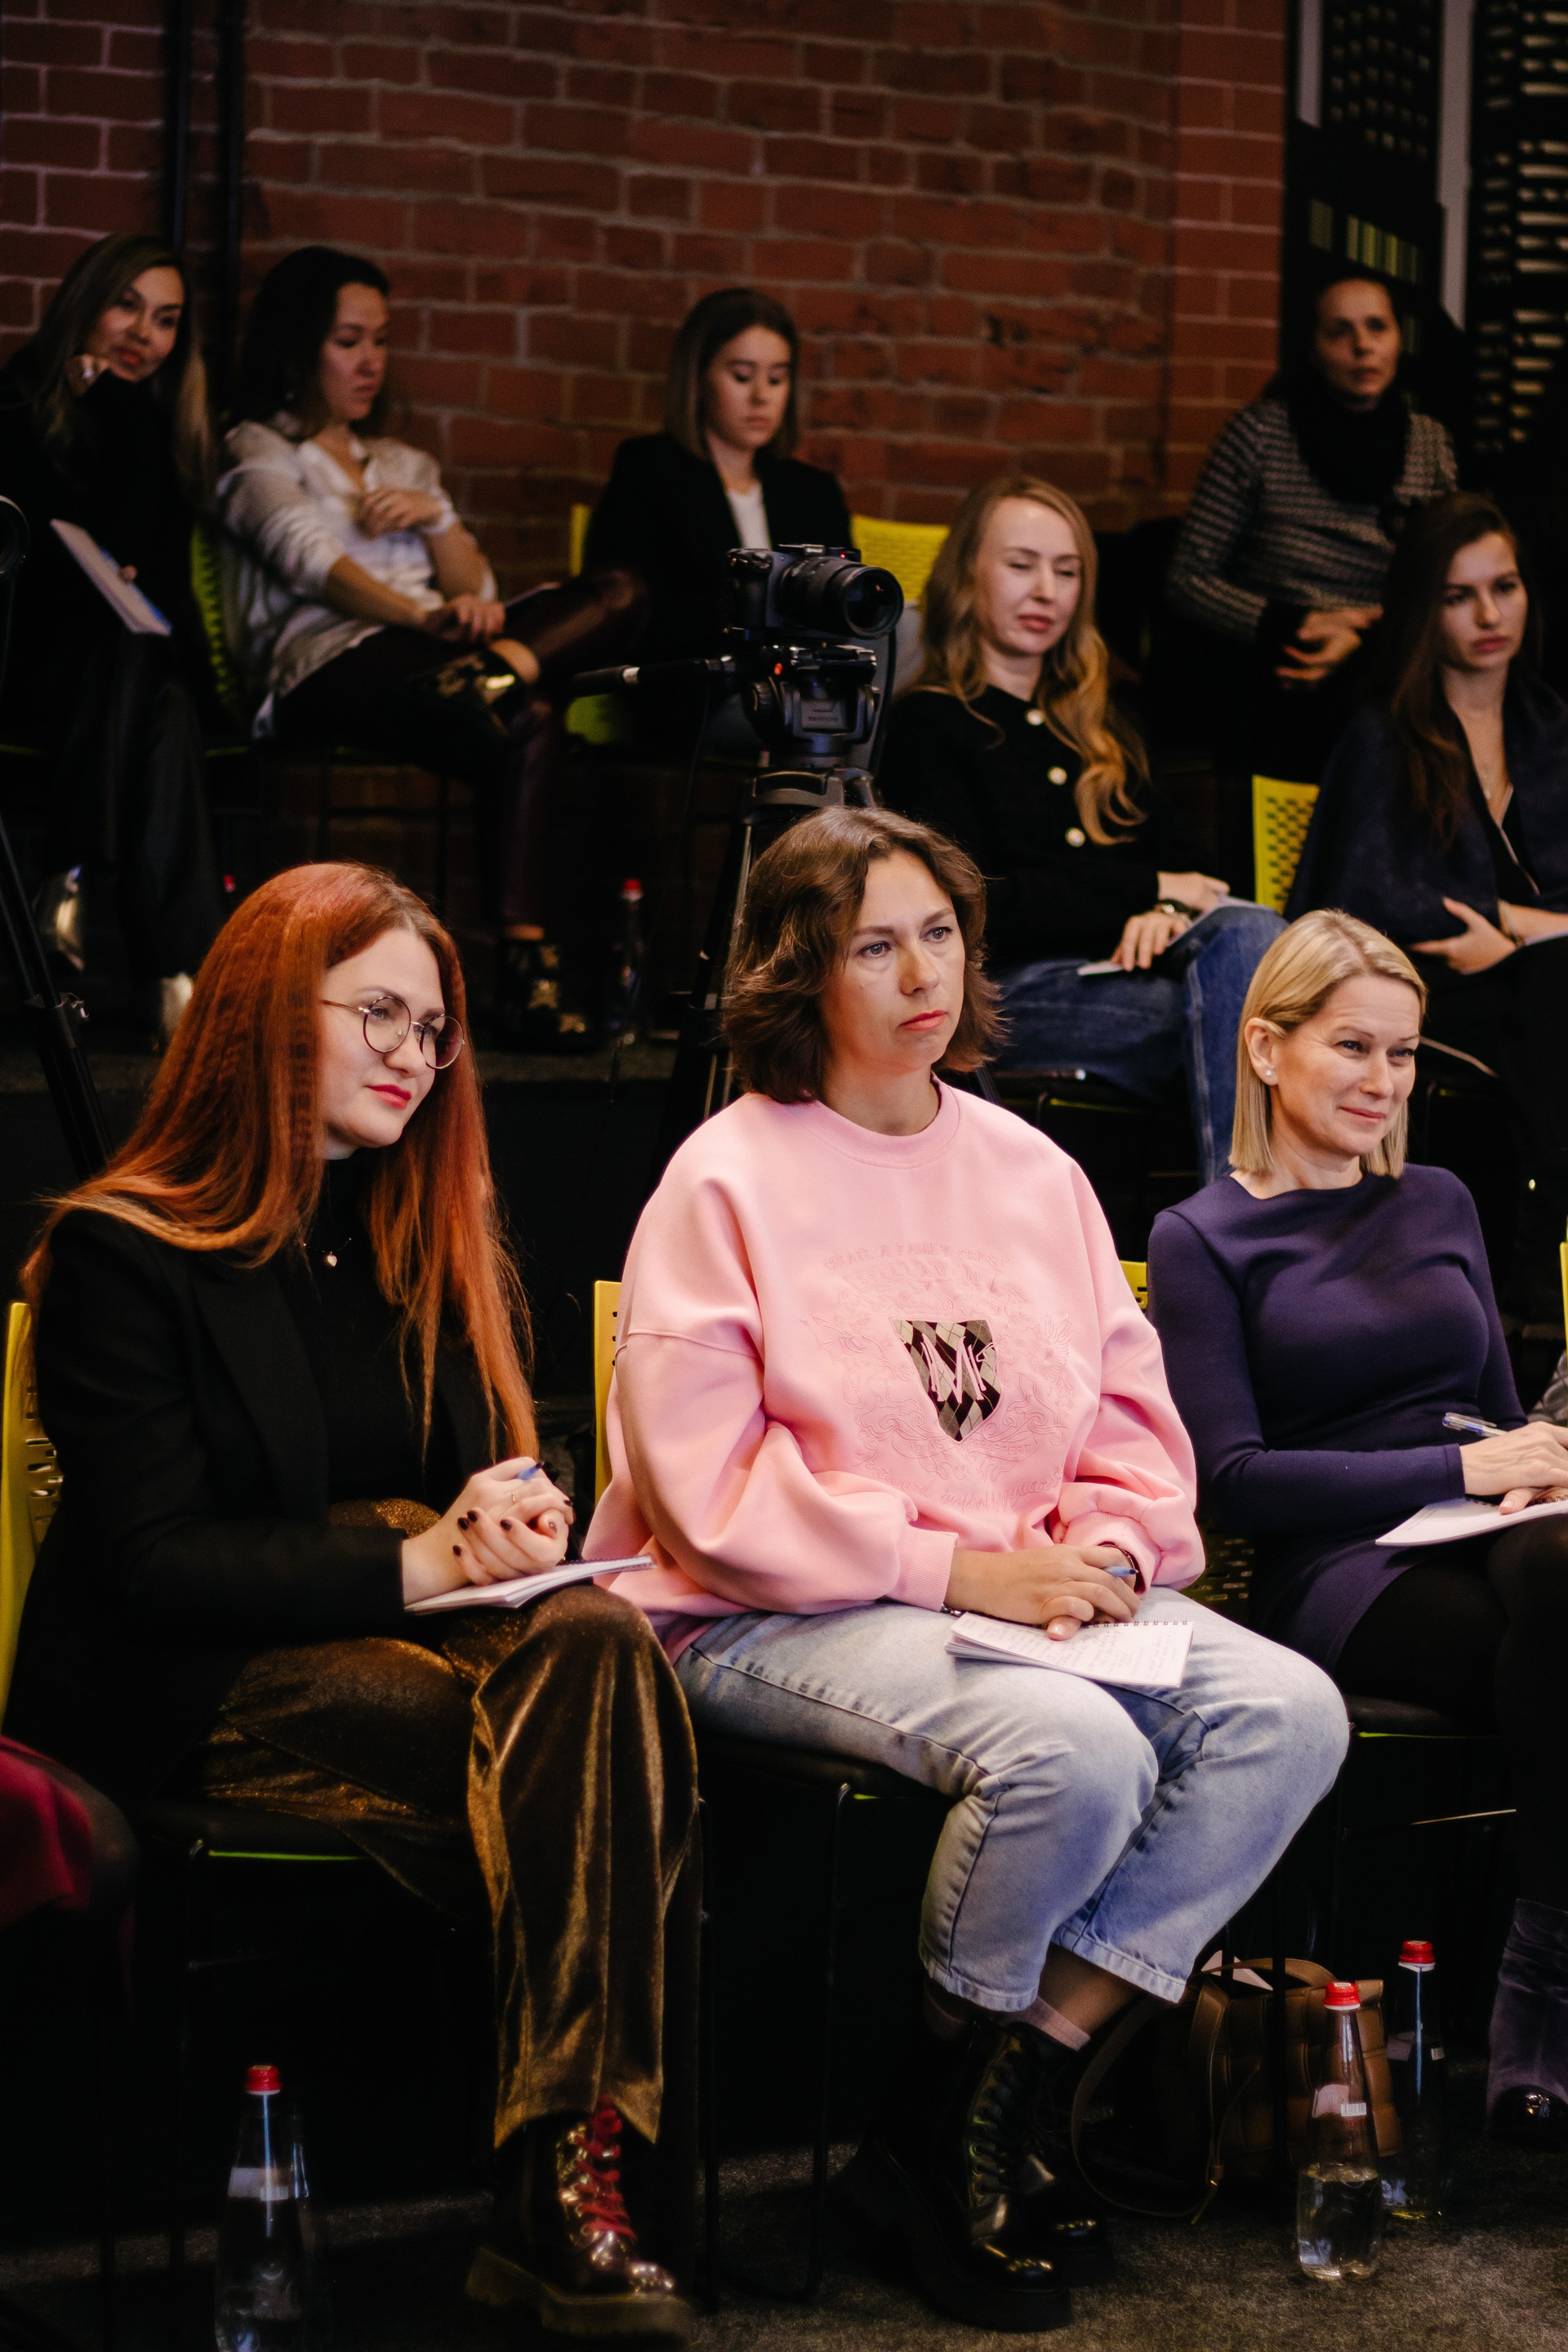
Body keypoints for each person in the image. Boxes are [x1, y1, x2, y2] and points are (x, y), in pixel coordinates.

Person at [583, 804, 1348, 2329]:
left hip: (1020, 1595)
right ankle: (954, 2139)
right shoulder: (723, 1177)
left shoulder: (1030, 1169)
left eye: (939, 934)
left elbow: (1131, 1421)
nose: (923, 974)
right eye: (874, 945)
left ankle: (975, 2104)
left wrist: (1110, 1548)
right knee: (1074, 1751)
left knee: (1291, 1714)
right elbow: (704, 1485)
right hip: (761, 1607)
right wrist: (961, 1574)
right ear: (798, 971)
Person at [2, 862, 698, 2337]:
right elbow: (153, 1564)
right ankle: (581, 2180)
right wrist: (419, 1556)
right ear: (266, 1010)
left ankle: (554, 2179)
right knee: (609, 1764)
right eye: (378, 1012)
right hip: (202, 1676)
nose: (414, 1055)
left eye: (434, 1029)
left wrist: (520, 1517)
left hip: (435, 1650)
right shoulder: (126, 1253)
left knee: (592, 1642)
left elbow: (489, 1481)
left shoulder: (423, 1228)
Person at [1147, 907, 1568, 2153]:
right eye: (1353, 1047)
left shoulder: (1438, 1199)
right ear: (1265, 1049)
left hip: (1491, 1536)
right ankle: (1537, 2006)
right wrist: (1465, 1466)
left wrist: (1526, 1472)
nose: (1385, 1081)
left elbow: (1496, 1414)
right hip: (1337, 1570)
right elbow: (1235, 1482)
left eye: (1403, 1054)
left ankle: (1537, 1993)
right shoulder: (1201, 1236)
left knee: (1558, 1563)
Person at [218, 247, 646, 1049]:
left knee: (621, 590)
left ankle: (487, 680)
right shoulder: (256, 451)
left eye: (381, 341)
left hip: (433, 658)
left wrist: (436, 518)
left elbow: (475, 586)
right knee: (531, 714)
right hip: (327, 662)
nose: (371, 362)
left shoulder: (404, 462)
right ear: (298, 346)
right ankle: (526, 972)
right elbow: (312, 565)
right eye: (349, 341)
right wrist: (426, 620)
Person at [877, 474, 1283, 1184]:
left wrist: (1165, 907)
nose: (1046, 591)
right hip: (1011, 997)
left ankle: (1245, 1223)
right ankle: (1261, 1224)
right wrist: (1145, 890)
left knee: (1250, 940)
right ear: (967, 575)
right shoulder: (929, 726)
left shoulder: (1103, 724)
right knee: (1258, 1026)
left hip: (1141, 977)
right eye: (1021, 564)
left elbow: (1200, 873)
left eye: (1066, 572)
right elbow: (977, 909)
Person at [1286, 492, 1568, 1326]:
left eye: (1505, 587)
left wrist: (1520, 934)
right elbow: (1367, 905)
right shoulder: (1386, 736)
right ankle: (1544, 1256)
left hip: (1535, 983)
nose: (1490, 615)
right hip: (1432, 992)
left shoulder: (1551, 728)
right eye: (1458, 596)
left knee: (1553, 975)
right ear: (1424, 609)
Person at [0, 230, 225, 1043]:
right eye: (126, 306)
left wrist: (123, 409)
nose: (143, 334)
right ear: (85, 304)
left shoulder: (154, 428)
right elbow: (46, 564)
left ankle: (66, 876)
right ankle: (182, 980)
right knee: (150, 682)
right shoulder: (14, 404)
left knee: (157, 688)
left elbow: (139, 565)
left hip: (122, 682)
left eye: (166, 320)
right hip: (29, 668)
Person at [1166, 270, 1456, 780]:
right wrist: (1296, 624)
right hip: (1278, 661)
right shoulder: (1258, 435)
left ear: (1398, 339)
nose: (1362, 346)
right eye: (1339, 331)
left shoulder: (1429, 443)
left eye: (1377, 326)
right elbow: (1187, 580)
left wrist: (1366, 637)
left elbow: (1446, 581)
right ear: (1313, 349)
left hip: (1387, 657)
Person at [584, 287, 851, 749]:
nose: (761, 396)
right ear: (700, 377)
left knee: (899, 636)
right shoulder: (650, 469)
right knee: (846, 717)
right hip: (703, 693)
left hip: (807, 685)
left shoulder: (813, 490)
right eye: (742, 376)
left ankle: (843, 781)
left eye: (777, 378)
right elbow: (630, 610)